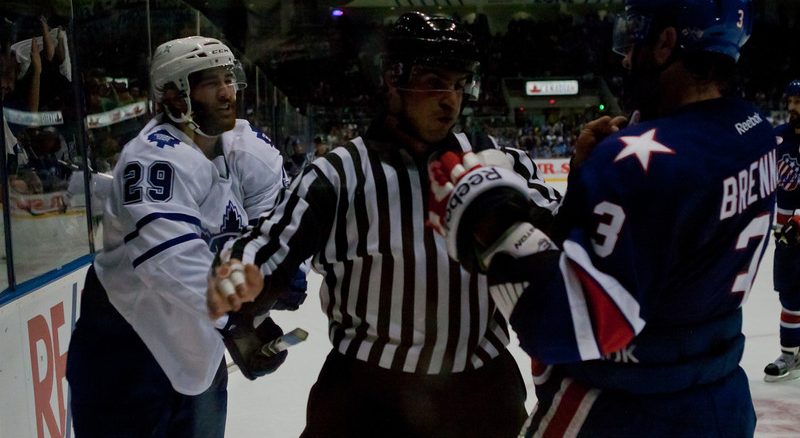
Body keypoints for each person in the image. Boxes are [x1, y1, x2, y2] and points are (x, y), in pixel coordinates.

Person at [425, 0, 773, 435]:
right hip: (722, 398)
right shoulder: (756, 131)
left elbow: (562, 327)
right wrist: (586, 184)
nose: (626, 56)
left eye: (635, 38)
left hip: (626, 410)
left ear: (666, 42)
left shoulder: (635, 162)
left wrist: (489, 219)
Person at [208, 12, 562, 437]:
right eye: (434, 82)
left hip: (481, 395)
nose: (451, 99)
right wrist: (239, 272)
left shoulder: (499, 161)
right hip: (366, 398)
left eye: (458, 83)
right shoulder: (336, 176)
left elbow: (562, 236)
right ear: (392, 81)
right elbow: (269, 245)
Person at [66, 36, 288, 437]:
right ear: (174, 96)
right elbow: (171, 260)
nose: (227, 92)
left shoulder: (235, 151)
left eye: (228, 78)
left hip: (192, 355)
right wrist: (241, 322)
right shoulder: (154, 159)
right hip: (127, 358)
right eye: (211, 83)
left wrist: (257, 312)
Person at [765, 78, 800, 382]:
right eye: (790, 101)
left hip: (796, 226)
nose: (792, 108)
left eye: (798, 102)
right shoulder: (776, 138)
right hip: (787, 233)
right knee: (789, 295)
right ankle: (789, 353)